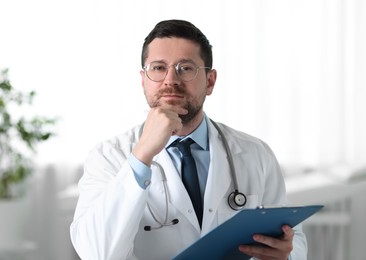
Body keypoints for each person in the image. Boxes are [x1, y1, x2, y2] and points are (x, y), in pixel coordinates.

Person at [70, 19, 307, 260]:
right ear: (144, 80)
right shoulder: (109, 156)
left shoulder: (255, 153)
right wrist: (141, 155)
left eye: (185, 68)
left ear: (210, 82)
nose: (171, 79)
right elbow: (97, 252)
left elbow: (293, 240)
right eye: (159, 67)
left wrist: (285, 256)